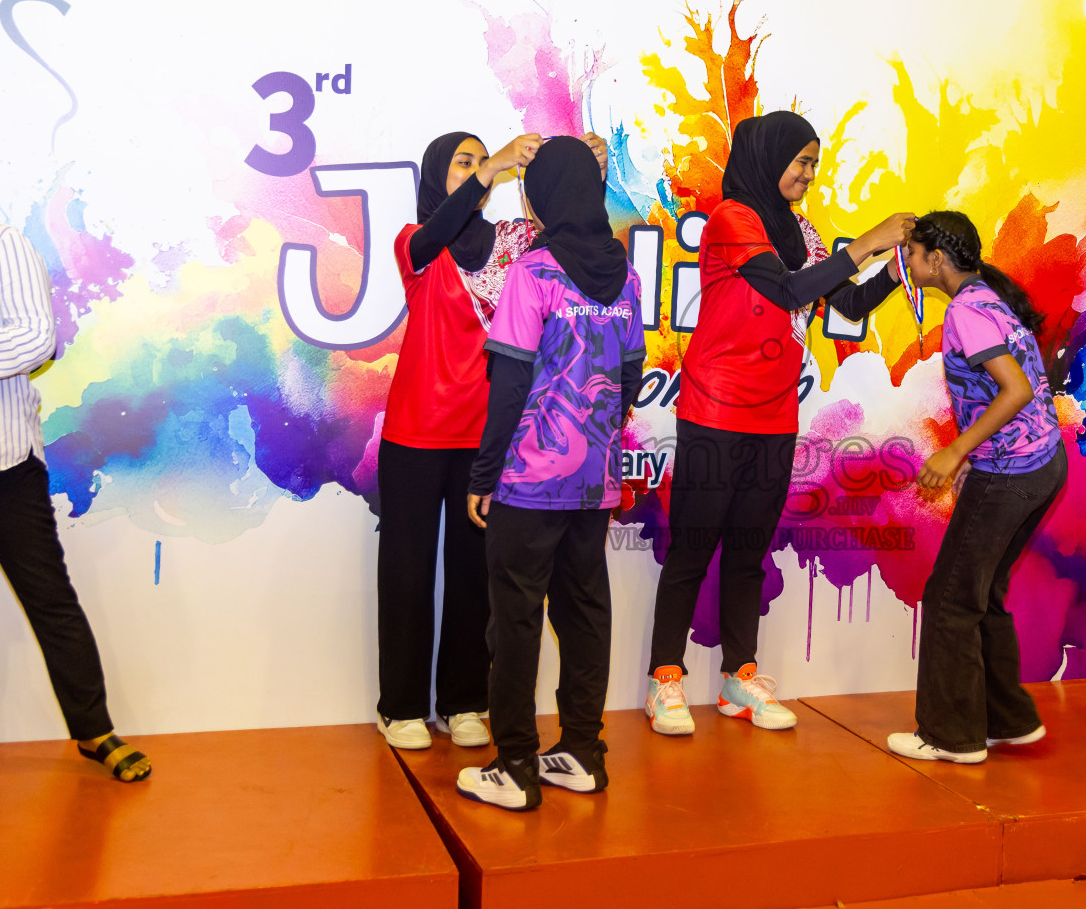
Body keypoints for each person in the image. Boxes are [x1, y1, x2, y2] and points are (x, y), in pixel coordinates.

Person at [643, 110, 913, 736]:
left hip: (774, 415)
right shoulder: (734, 218)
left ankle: (739, 678)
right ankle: (665, 680)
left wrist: (897, 269)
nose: (809, 175)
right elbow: (787, 292)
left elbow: (841, 301)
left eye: (816, 164)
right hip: (715, 410)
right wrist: (866, 241)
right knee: (693, 548)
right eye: (801, 162)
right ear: (771, 158)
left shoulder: (800, 230)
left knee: (747, 551)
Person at [375, 129, 607, 750]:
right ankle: (399, 706)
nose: (477, 170)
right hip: (416, 436)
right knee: (407, 574)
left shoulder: (514, 245)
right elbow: (435, 232)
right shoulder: (414, 243)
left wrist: (584, 170)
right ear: (436, 174)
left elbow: (568, 229)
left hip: (485, 443)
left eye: (482, 160)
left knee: (477, 575)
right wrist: (497, 167)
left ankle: (462, 701)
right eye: (464, 162)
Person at [455, 136, 644, 811]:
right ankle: (584, 754)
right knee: (585, 611)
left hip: (530, 479)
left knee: (516, 620)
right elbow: (627, 378)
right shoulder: (625, 275)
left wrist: (483, 476)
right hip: (594, 480)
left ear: (541, 196)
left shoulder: (532, 272)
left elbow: (509, 385)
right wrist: (595, 440)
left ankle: (514, 763)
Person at [881, 211, 1064, 764]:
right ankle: (1007, 719)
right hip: (1039, 466)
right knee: (982, 594)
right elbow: (1004, 390)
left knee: (950, 599)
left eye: (912, 254)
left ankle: (950, 736)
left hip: (1011, 474)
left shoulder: (966, 311)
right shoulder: (986, 295)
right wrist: (973, 451)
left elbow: (1014, 390)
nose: (908, 264)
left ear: (937, 260)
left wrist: (957, 449)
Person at [0, 216, 150, 781]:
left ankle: (93, 731)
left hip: (3, 459)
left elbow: (37, 337)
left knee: (49, 600)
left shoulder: (1, 239)